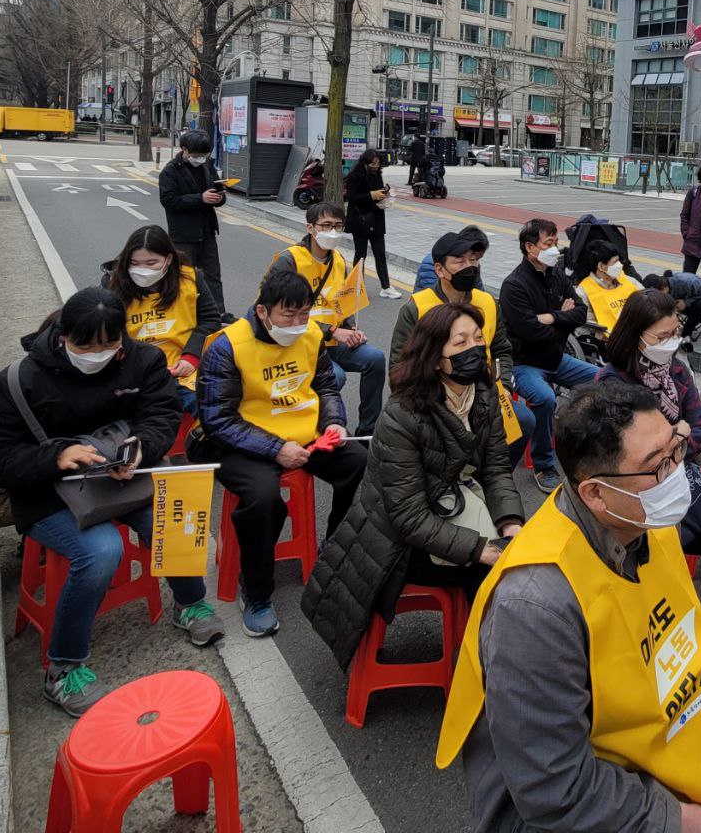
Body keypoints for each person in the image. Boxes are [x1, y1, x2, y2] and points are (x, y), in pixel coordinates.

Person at [435, 378, 701, 833]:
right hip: (572, 794)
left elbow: (686, 663)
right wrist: (681, 818)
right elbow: (554, 789)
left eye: (675, 450)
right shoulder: (535, 604)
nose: (678, 476)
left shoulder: (647, 521)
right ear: (596, 494)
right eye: (657, 466)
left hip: (664, 735)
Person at [0, 288, 223, 716]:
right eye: (87, 345)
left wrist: (142, 448)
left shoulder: (143, 361)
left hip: (121, 479)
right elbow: (5, 459)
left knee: (176, 514)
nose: (98, 353)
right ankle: (62, 668)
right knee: (102, 550)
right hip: (48, 491)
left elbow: (162, 414)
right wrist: (56, 456)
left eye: (110, 343)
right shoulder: (20, 380)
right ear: (62, 336)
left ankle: (189, 603)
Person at [303, 303, 525, 668]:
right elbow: (407, 516)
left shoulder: (482, 393)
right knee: (489, 573)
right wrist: (480, 549)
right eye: (461, 342)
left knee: (524, 556)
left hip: (452, 503)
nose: (475, 348)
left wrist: (511, 523)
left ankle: (507, 662)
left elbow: (498, 467)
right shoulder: (403, 413)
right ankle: (489, 676)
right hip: (397, 543)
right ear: (436, 359)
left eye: (479, 338)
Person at [194, 270, 367, 637]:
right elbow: (217, 420)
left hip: (304, 435)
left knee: (360, 463)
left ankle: (333, 548)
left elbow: (325, 386)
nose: (297, 323)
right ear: (262, 311)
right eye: (288, 314)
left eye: (304, 313)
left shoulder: (311, 336)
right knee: (263, 499)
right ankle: (256, 592)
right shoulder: (227, 346)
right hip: (242, 442)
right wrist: (275, 449)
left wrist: (335, 421)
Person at [597, 288, 701, 573]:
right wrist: (677, 438)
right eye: (662, 337)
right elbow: (627, 456)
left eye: (675, 333)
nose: (672, 343)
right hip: (638, 492)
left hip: (677, 478)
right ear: (636, 336)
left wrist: (672, 446)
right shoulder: (611, 384)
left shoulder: (675, 371)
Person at [392, 231, 532, 466]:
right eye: (460, 261)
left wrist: (504, 384)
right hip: (434, 395)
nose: (470, 267)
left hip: (483, 391)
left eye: (474, 260)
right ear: (439, 269)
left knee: (524, 420)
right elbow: (399, 365)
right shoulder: (416, 308)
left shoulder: (487, 302)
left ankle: (492, 474)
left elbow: (501, 351)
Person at [267, 202, 387, 436]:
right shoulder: (289, 260)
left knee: (375, 359)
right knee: (336, 377)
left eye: (338, 226)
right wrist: (333, 331)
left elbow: (342, 301)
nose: (332, 232)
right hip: (299, 345)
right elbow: (276, 312)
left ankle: (367, 431)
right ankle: (322, 428)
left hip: (333, 341)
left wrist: (351, 327)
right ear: (311, 228)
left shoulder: (339, 260)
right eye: (326, 226)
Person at [498, 218, 594, 495]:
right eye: (548, 244)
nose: (555, 249)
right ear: (530, 247)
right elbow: (530, 333)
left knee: (604, 376)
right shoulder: (514, 286)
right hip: (524, 363)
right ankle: (544, 464)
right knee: (544, 397)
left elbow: (580, 311)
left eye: (556, 242)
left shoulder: (556, 274)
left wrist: (552, 317)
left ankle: (587, 442)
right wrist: (563, 320)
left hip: (556, 358)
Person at [102, 224, 221, 420]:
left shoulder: (190, 279)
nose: (142, 270)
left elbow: (210, 320)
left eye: (151, 263)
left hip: (181, 370)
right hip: (132, 371)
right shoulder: (112, 284)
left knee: (210, 412)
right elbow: (105, 332)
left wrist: (190, 357)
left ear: (168, 259)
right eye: (134, 263)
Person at [158, 129, 230, 320]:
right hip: (183, 235)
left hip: (207, 231)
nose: (200, 158)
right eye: (197, 155)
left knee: (213, 275)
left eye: (204, 155)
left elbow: (216, 191)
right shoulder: (170, 171)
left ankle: (218, 313)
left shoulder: (207, 165)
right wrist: (201, 198)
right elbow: (169, 201)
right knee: (184, 277)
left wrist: (219, 197)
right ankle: (184, 315)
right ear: (185, 149)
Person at [344, 148, 400, 299]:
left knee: (380, 253)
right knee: (360, 254)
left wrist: (384, 194)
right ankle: (356, 286)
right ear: (365, 162)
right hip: (360, 219)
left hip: (376, 217)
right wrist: (371, 195)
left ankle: (386, 286)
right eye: (372, 163)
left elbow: (378, 193)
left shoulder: (377, 174)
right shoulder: (355, 176)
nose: (375, 166)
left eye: (378, 163)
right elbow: (352, 197)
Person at [573, 240, 642, 335]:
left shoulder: (626, 280)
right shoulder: (584, 292)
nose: (620, 265)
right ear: (601, 266)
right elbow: (586, 327)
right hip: (611, 340)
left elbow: (647, 299)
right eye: (615, 262)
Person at [415, 222, 488, 294]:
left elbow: (479, 291)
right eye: (460, 261)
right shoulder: (430, 265)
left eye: (474, 259)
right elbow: (430, 296)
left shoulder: (474, 265)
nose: (469, 265)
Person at [643, 269, 701, 336]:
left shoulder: (689, 281)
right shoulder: (662, 287)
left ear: (663, 288)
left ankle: (684, 335)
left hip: (699, 304)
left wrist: (686, 302)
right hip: (677, 304)